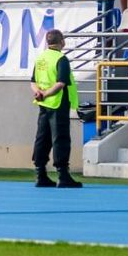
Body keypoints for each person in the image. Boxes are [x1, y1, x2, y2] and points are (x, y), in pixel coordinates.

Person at [30, 29, 81, 188]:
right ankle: (63, 174)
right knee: (60, 138)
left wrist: (38, 92)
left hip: (43, 105)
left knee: (42, 138)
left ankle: (40, 173)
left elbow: (32, 81)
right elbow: (61, 83)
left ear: (47, 42)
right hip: (58, 102)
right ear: (62, 42)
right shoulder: (61, 59)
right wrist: (46, 94)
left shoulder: (41, 58)